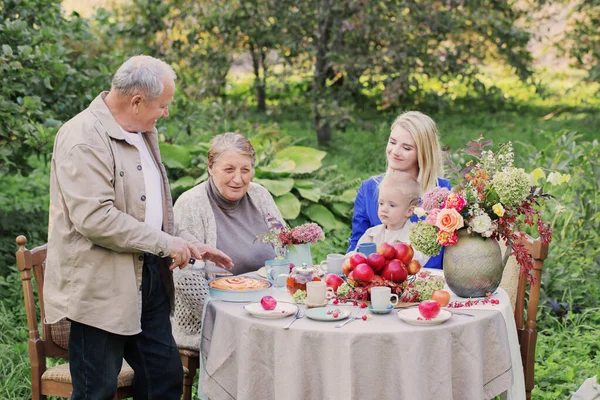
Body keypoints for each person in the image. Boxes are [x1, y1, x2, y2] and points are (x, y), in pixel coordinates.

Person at [44, 55, 233, 400]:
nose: (165, 113)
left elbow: (147, 208)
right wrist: (165, 242)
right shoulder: (83, 137)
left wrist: (182, 241)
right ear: (136, 101)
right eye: (162, 105)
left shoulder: (142, 131)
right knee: (95, 389)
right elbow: (96, 219)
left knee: (163, 375)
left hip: (148, 275)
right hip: (99, 285)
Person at [171, 132, 285, 350]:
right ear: (210, 168)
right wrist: (229, 318)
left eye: (245, 170)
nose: (238, 179)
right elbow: (185, 277)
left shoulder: (259, 195)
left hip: (270, 307)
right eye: (229, 169)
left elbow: (285, 245)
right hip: (216, 317)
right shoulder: (191, 204)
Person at [348, 111, 451, 269]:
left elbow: (449, 252)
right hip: (379, 286)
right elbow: (357, 247)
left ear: (423, 153)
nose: (395, 151)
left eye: (407, 147)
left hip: (430, 283)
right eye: (392, 142)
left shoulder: (442, 192)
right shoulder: (369, 189)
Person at [355, 171, 430, 266]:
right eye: (381, 203)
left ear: (409, 211)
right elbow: (357, 259)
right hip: (373, 280)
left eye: (392, 205)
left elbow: (416, 263)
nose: (384, 209)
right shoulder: (371, 235)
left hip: (404, 279)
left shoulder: (415, 238)